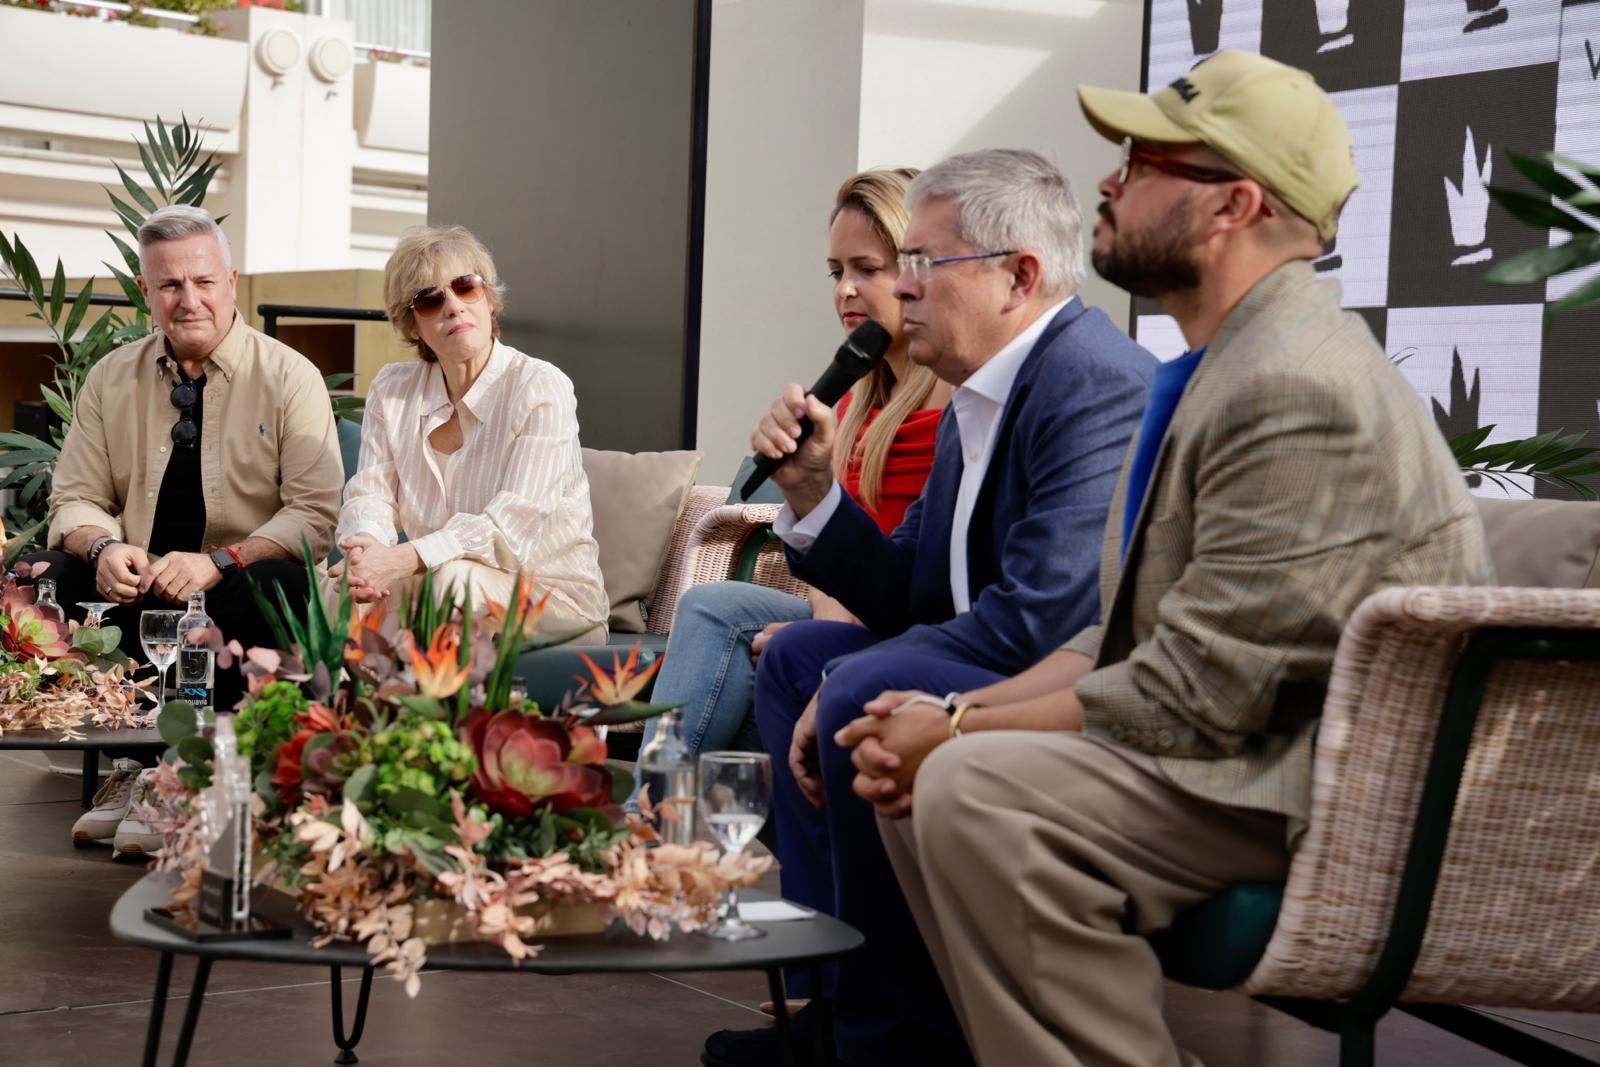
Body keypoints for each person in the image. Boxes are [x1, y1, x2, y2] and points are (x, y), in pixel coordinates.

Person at [849, 52, 1495, 1066]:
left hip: (1309, 785)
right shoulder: (1221, 367)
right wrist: (935, 721)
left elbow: (1196, 689)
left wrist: (964, 720)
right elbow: (1116, 635)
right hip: (1229, 754)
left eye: (1144, 160)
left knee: (973, 787)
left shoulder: (1294, 385)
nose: (1106, 182)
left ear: (1231, 204)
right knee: (921, 767)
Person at [702, 150, 1155, 1067]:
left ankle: (892, 1039)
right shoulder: (975, 394)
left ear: (1019, 276)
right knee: (796, 659)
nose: (899, 290)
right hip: (999, 658)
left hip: (1071, 689)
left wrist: (853, 678)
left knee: (852, 676)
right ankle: (834, 1001)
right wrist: (816, 491)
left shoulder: (1091, 380)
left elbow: (1041, 618)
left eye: (921, 264)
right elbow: (912, 584)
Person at [635, 168, 948, 773]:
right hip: (851, 614)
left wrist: (829, 644)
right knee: (715, 612)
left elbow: (920, 566)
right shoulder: (855, 403)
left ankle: (649, 825)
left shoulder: (952, 405)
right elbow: (834, 554)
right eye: (837, 273)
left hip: (911, 627)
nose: (845, 292)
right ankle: (662, 826)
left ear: (918, 272)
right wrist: (826, 630)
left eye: (867, 269)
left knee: (717, 613)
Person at [31, 204, 342, 702]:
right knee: (46, 571)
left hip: (237, 593)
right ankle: (105, 736)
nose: (189, 300)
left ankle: (225, 751)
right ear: (146, 292)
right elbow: (73, 499)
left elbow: (316, 516)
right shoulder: (110, 378)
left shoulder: (290, 377)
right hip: (135, 593)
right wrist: (102, 549)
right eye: (171, 286)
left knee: (280, 582)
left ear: (232, 281)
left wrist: (221, 561)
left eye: (204, 282)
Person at [333, 225, 608, 640]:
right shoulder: (393, 390)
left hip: (554, 602)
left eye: (465, 286)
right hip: (440, 583)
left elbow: (510, 528)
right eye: (429, 299)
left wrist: (404, 558)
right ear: (411, 325)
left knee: (454, 584)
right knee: (337, 585)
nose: (453, 306)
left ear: (489, 300)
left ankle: (438, 706)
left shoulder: (539, 386)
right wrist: (366, 550)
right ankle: (335, 705)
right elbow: (371, 493)